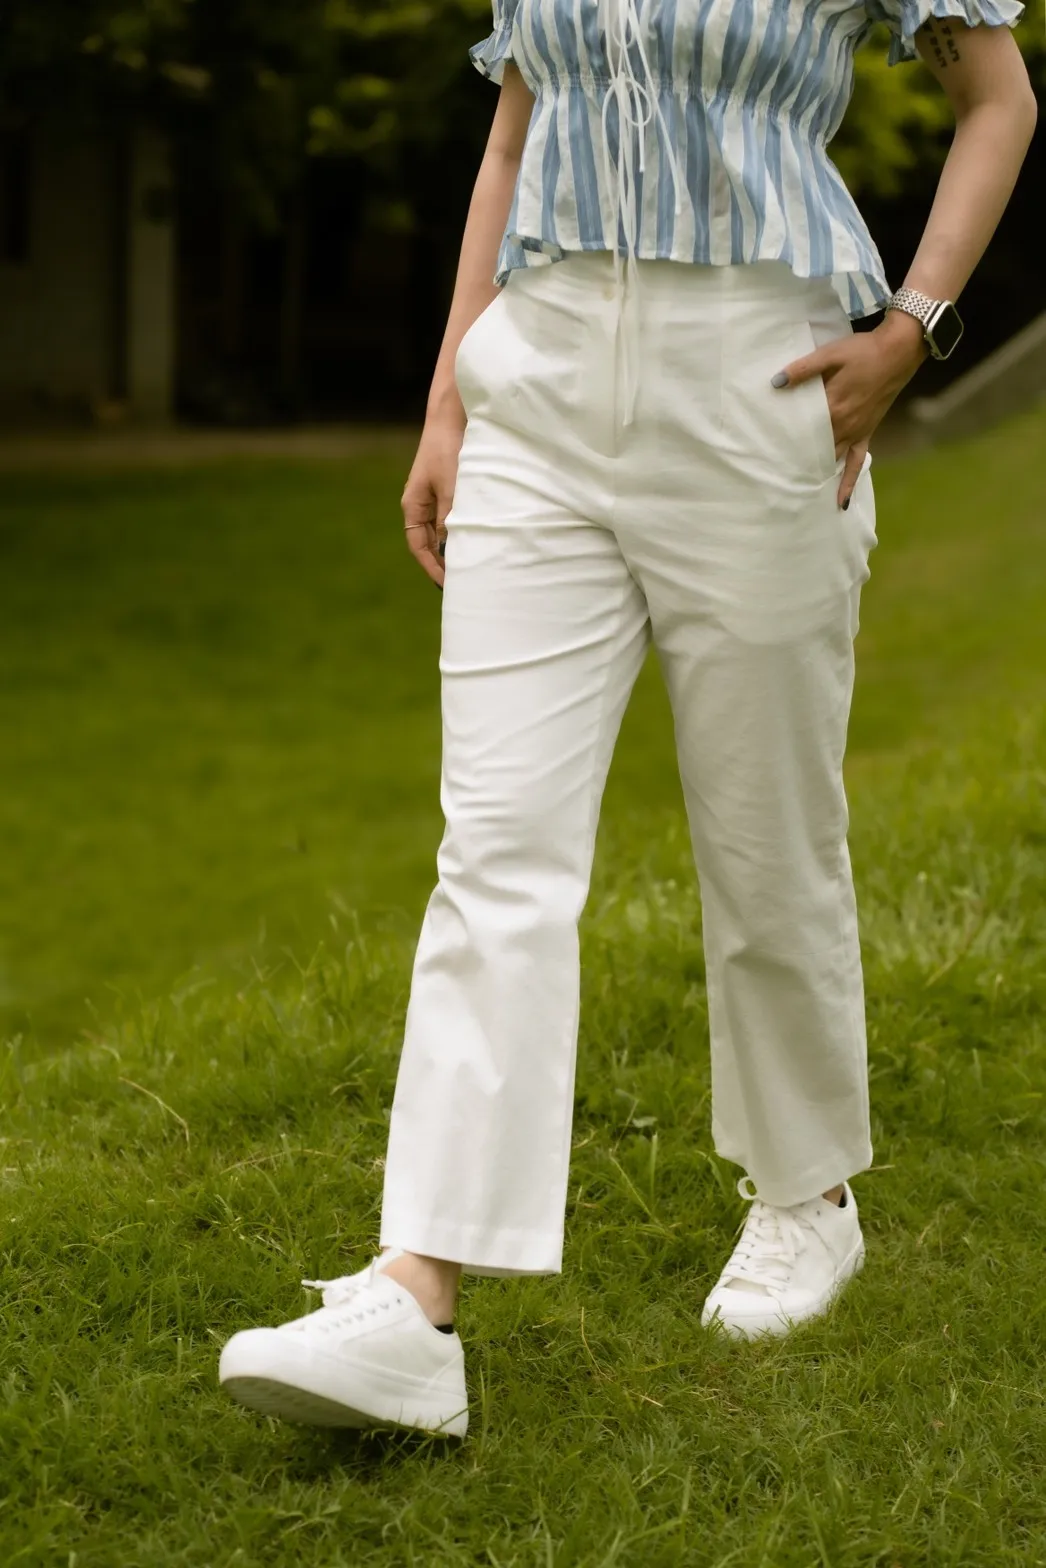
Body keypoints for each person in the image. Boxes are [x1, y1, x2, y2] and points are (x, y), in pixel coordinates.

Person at [219, 0, 1035, 1440]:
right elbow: (513, 136)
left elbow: (997, 99)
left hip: (758, 377)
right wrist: (448, 399)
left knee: (765, 837)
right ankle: (416, 1293)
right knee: (496, 846)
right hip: (536, 378)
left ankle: (806, 1196)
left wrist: (912, 328)